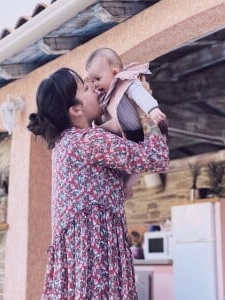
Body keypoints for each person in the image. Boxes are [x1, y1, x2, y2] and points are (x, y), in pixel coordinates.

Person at [27, 67, 169, 299]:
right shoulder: (89, 141)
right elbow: (156, 157)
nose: (93, 88)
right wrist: (148, 109)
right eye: (85, 87)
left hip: (81, 256)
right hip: (97, 252)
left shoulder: (65, 144)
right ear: (75, 109)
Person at [85, 47, 167, 143]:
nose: (95, 84)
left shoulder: (125, 81)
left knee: (155, 143)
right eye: (92, 80)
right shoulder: (104, 95)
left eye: (98, 79)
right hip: (128, 135)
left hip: (144, 125)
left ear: (115, 72)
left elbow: (140, 94)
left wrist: (153, 110)